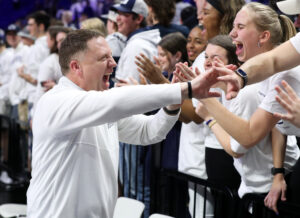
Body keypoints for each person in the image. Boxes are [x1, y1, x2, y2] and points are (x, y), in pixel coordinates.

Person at [26, 29, 221, 218]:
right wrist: (185, 89)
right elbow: (114, 101)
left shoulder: (98, 104)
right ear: (76, 66)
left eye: (111, 56)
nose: (113, 64)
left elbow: (149, 131)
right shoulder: (56, 101)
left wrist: (171, 105)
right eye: (104, 58)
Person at [191, 1, 300, 213]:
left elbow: (243, 141)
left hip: (266, 190)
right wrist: (235, 79)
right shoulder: (258, 76)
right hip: (265, 183)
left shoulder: (283, 75)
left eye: (240, 27)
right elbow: (277, 123)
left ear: (264, 36)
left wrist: (207, 106)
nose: (232, 34)